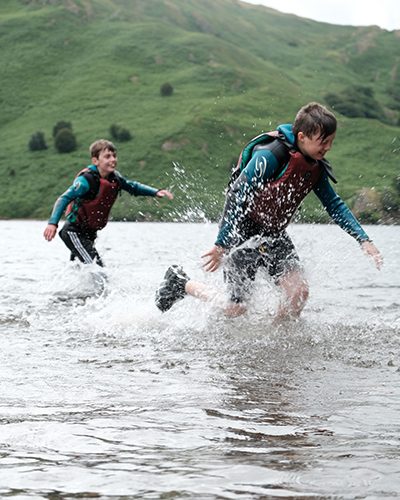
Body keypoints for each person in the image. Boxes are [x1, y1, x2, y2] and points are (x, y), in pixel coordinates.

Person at [155, 102, 383, 320]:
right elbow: (236, 194)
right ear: (302, 137)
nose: (328, 148)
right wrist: (222, 243)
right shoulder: (271, 155)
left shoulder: (315, 167)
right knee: (236, 309)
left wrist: (363, 239)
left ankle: (279, 350)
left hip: (273, 234)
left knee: (298, 294)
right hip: (243, 231)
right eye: (323, 141)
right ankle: (180, 283)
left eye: (331, 141)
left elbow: (334, 205)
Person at [44, 139, 173, 266]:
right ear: (95, 161)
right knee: (97, 269)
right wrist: (52, 223)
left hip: (89, 234)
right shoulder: (85, 181)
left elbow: (133, 187)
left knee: (82, 270)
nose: (113, 159)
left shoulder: (115, 178)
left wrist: (155, 192)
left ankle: (74, 288)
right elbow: (64, 198)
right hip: (73, 232)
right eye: (107, 157)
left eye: (114, 156)